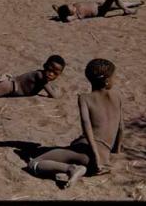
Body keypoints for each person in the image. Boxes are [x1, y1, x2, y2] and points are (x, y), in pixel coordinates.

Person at [27, 58, 123, 188]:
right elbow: (121, 127)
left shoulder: (85, 98)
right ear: (107, 80)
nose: (114, 80)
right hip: (104, 154)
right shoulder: (117, 96)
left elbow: (86, 127)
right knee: (76, 150)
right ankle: (81, 167)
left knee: (34, 163)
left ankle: (70, 169)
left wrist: (95, 156)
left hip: (89, 152)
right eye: (114, 77)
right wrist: (115, 153)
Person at [52, 0, 144, 22]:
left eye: (70, 5)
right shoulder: (75, 15)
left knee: (118, 4)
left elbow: (55, 6)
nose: (72, 5)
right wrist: (61, 16)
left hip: (100, 5)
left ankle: (137, 3)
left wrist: (58, 10)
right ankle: (127, 10)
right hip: (100, 10)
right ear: (70, 12)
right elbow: (67, 19)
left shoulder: (72, 6)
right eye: (71, 8)